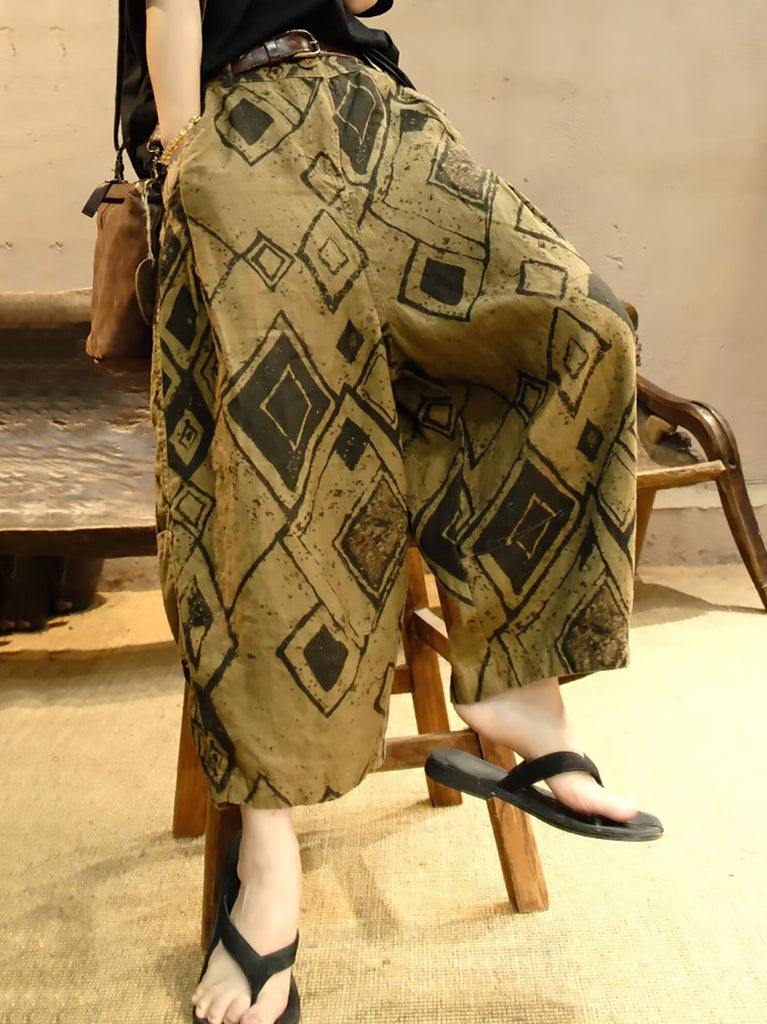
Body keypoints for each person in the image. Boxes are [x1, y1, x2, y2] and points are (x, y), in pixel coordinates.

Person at [127, 2, 661, 1022]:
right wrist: (182, 147)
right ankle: (267, 857)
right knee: (274, 463)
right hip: (231, 108)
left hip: (370, 109)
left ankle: (519, 685)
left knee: (578, 326)